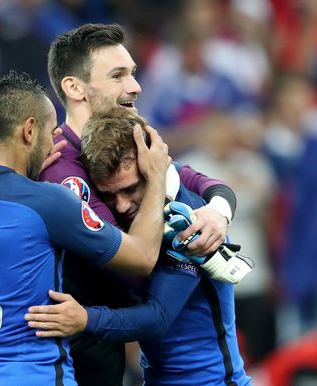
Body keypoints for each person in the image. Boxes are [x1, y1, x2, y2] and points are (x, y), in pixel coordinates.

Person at [0, 71, 171, 386]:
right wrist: (157, 175)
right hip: (36, 376)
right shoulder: (46, 202)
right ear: (29, 130)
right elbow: (143, 256)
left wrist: (28, 169)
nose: (55, 144)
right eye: (51, 132)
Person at [41, 23, 238, 385]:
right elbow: (135, 268)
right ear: (74, 87)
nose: (135, 86)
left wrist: (218, 212)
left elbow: (199, 182)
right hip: (75, 364)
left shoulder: (131, 149)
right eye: (118, 75)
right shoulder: (64, 171)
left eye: (132, 73)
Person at [26, 109, 251, 385]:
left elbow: (158, 319)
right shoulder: (125, 216)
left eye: (130, 189)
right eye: (109, 195)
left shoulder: (189, 218)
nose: (121, 205)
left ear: (151, 168)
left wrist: (85, 319)